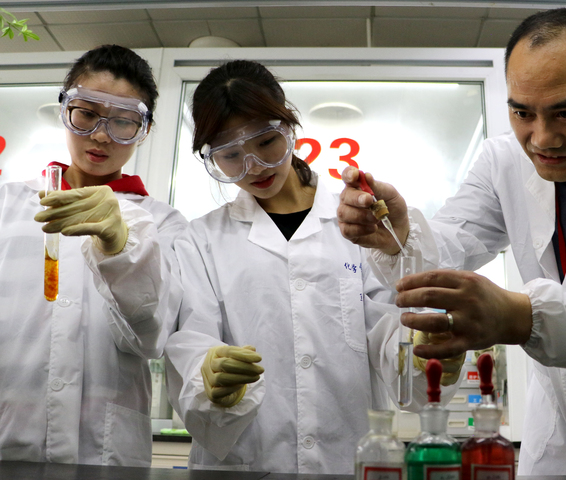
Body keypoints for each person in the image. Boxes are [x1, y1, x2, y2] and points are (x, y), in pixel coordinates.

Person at [337, 7, 566, 476]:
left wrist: (520, 316)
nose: (542, 139)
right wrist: (399, 235)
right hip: (557, 451)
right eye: (522, 113)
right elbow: (452, 243)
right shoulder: (502, 162)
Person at [163, 59, 463, 474]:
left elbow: (390, 337)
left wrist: (422, 354)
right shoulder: (201, 240)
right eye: (230, 155)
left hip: (346, 458)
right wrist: (206, 375)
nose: (255, 166)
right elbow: (193, 341)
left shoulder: (356, 221)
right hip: (245, 464)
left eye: (266, 142)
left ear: (289, 126)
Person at [0, 45, 187, 466]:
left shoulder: (165, 223)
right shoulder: (7, 205)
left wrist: (125, 252)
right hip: (9, 438)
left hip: (105, 453)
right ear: (64, 109)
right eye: (86, 113)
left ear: (145, 130)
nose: (102, 135)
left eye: (123, 121)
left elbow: (151, 338)